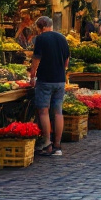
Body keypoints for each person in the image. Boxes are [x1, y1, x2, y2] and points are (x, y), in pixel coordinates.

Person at [28, 16, 69, 156]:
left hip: (45, 80)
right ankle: (58, 145)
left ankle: (47, 143)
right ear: (51, 25)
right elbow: (67, 59)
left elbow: (36, 59)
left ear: (40, 28)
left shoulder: (41, 39)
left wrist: (32, 76)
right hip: (60, 80)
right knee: (58, 112)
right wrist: (62, 70)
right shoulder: (62, 38)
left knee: (43, 111)